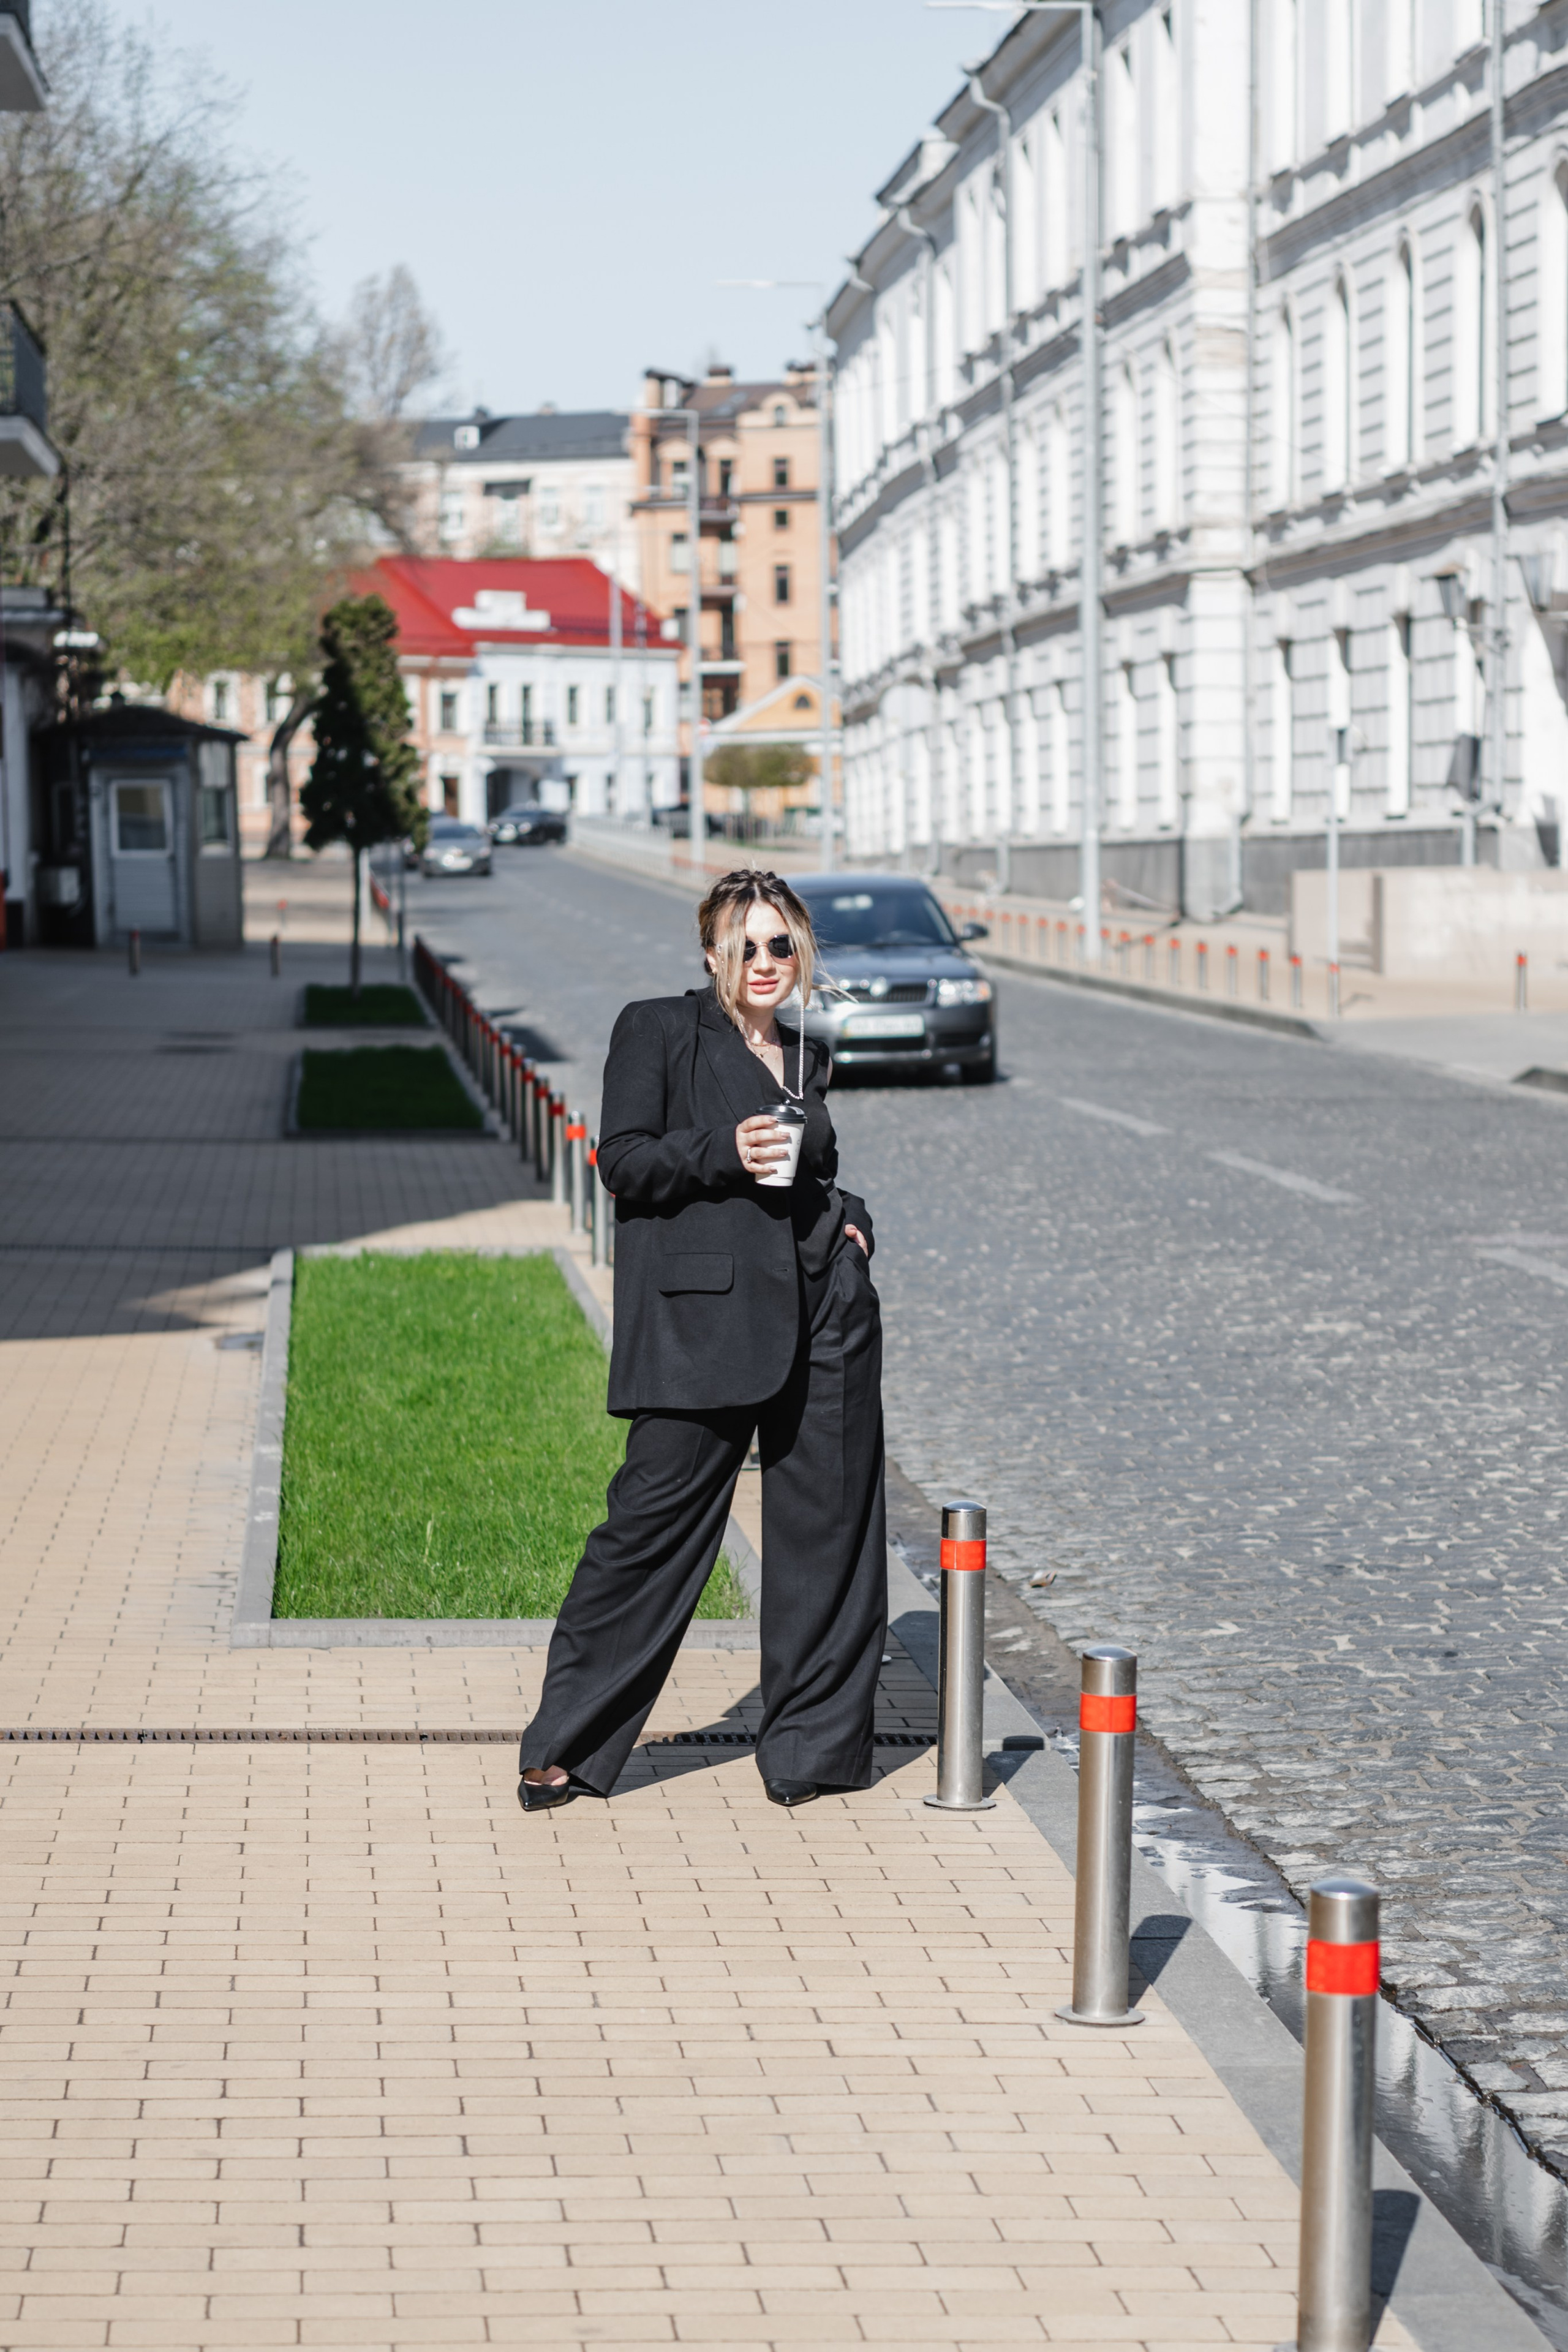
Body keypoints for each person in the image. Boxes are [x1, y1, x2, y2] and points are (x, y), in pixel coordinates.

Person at [518, 869, 886, 1812]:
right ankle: (566, 1741)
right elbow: (624, 1160)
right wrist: (725, 1147)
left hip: (822, 1315)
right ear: (711, 952)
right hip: (703, 1323)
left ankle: (813, 1750)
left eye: (780, 944)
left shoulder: (807, 1053)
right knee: (650, 1529)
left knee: (830, 1535)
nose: (764, 962)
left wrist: (851, 1222)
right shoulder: (660, 1028)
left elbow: (813, 1175)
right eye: (745, 945)